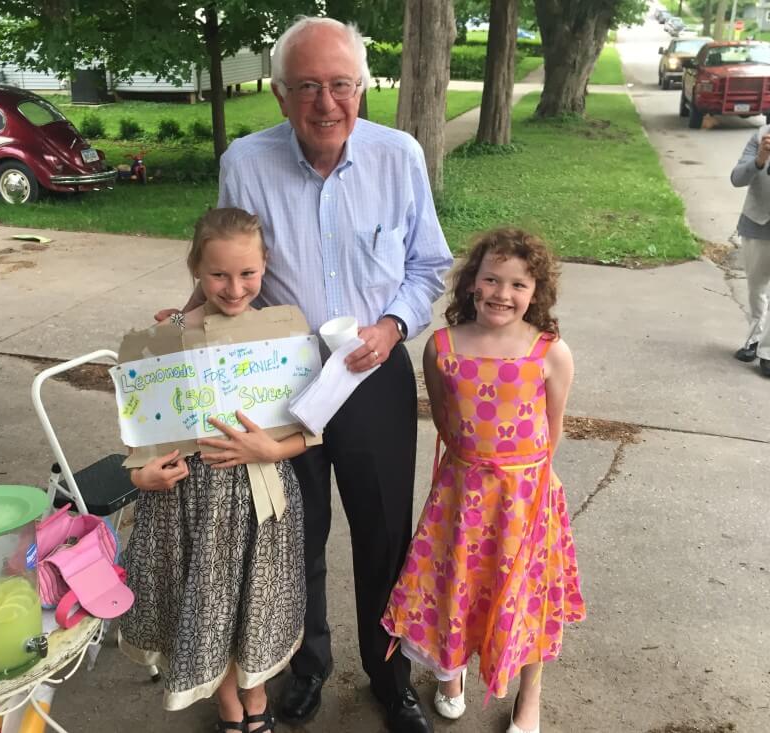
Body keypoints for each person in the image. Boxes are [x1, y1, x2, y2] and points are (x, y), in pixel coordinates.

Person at [158, 16, 453, 732]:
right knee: (292, 531)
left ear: (362, 88)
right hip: (276, 376)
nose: (328, 102)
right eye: (308, 87)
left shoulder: (399, 155)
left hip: (373, 370)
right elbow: (230, 262)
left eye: (341, 85)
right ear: (281, 94)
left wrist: (391, 327)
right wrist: (188, 318)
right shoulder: (246, 161)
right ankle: (304, 665)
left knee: (383, 531)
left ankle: (390, 677)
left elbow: (428, 265)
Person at [381, 228, 587, 733]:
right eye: (491, 279)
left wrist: (528, 478)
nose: (502, 293)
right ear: (471, 283)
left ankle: (529, 693)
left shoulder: (549, 352)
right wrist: (472, 468)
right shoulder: (443, 347)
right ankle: (450, 670)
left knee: (527, 596)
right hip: (463, 493)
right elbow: (448, 421)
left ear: (536, 292)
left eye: (518, 284)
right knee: (458, 583)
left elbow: (551, 427)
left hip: (525, 498)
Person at [119, 208, 307, 733]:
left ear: (265, 265)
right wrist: (142, 479)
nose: (234, 286)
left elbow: (307, 435)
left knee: (254, 598)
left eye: (248, 273)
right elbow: (139, 446)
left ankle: (257, 695)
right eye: (218, 274)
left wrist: (271, 450)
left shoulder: (281, 334)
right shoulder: (168, 339)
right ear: (196, 271)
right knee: (207, 601)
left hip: (261, 499)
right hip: (194, 501)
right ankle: (229, 704)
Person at [729, 126, 770, 378]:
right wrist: (759, 160)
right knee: (757, 289)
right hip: (757, 224)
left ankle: (768, 352)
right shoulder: (760, 137)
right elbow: (736, 179)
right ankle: (754, 338)